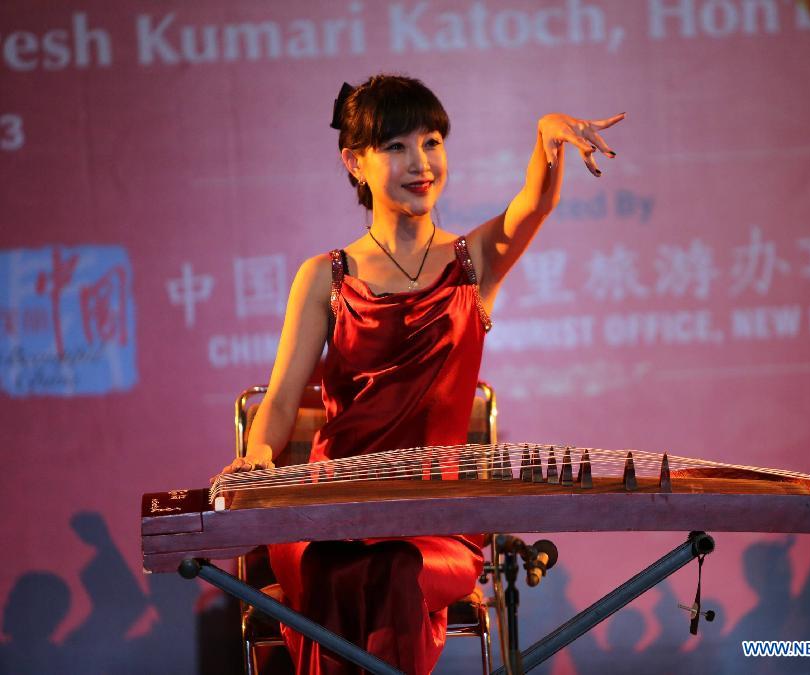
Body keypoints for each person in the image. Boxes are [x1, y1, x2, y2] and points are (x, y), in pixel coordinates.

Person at [215, 74, 625, 674]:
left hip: (436, 521)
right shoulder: (325, 277)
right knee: (330, 566)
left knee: (397, 569)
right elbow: (278, 406)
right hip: (332, 511)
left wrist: (547, 139)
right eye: (396, 146)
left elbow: (533, 205)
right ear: (354, 163)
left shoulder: (473, 262)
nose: (421, 162)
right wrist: (257, 457)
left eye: (431, 141)